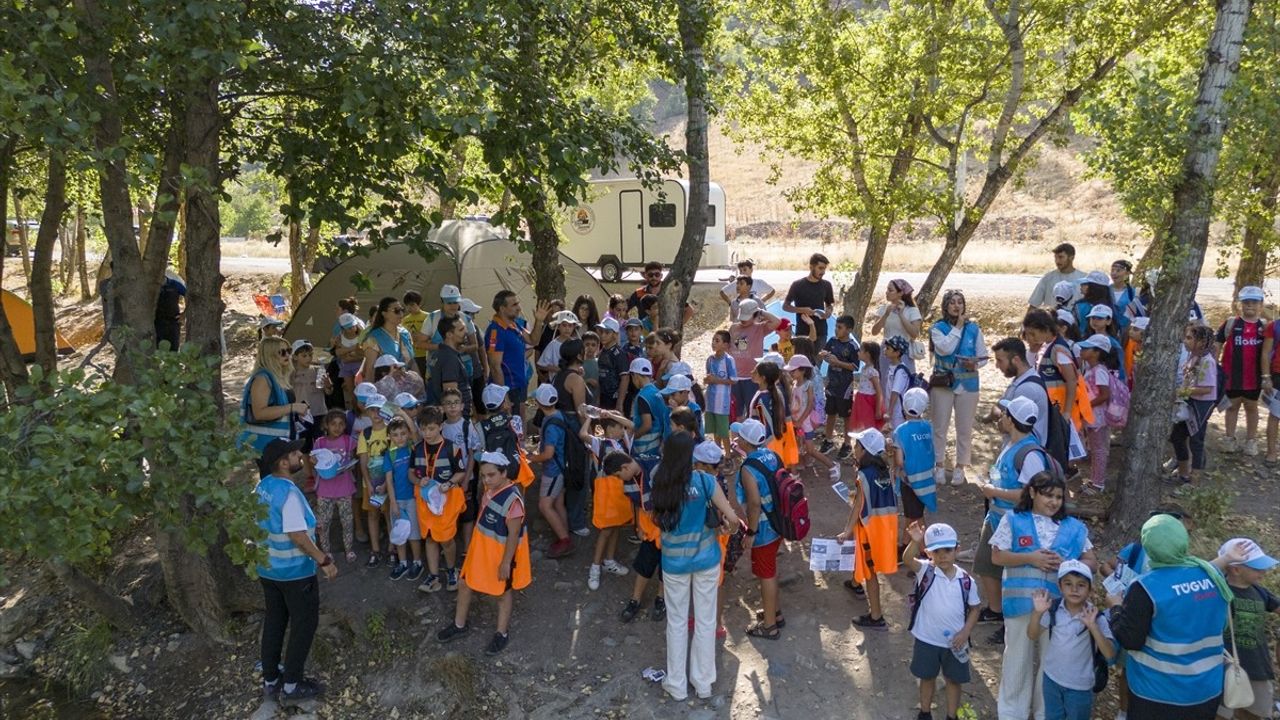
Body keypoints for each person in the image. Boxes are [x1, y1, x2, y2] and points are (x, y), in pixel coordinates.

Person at [990, 471, 1097, 720]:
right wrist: (1030, 557)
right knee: (1017, 659)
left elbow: (1091, 561)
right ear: (1032, 493)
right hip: (1020, 604)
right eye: (1048, 495)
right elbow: (997, 556)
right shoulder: (1014, 519)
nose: (1054, 502)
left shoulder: (1074, 527)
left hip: (1060, 608)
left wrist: (1069, 563)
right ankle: (1011, 713)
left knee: (1051, 662)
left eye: (1059, 497)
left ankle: (1045, 713)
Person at [1109, 514, 1231, 720]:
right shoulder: (1212, 575)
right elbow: (1224, 622)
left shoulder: (1145, 587)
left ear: (1149, 547)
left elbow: (1131, 639)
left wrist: (1115, 609)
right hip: (1206, 689)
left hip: (1156, 692)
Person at [651, 436, 738, 702]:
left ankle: (676, 684)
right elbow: (733, 519)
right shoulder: (705, 481)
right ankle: (703, 684)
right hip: (706, 560)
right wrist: (726, 527)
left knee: (676, 622)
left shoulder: (660, 482)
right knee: (706, 620)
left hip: (674, 564)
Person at [254, 438, 337, 705]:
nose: (299, 455)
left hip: (268, 570)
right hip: (294, 573)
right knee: (304, 625)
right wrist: (324, 560)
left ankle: (271, 678)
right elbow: (297, 535)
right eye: (294, 453)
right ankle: (292, 685)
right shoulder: (288, 493)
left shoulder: (262, 486)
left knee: (275, 621)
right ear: (282, 462)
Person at [435, 452, 532, 656]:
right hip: (481, 552)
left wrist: (506, 563)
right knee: (465, 583)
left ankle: (501, 634)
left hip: (498, 556)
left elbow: (514, 535)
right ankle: (459, 625)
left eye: (491, 475)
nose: (486, 480)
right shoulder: (490, 490)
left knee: (503, 593)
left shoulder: (513, 501)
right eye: (484, 475)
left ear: (504, 473)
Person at [977, 397, 1051, 643]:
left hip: (1015, 523)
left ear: (1011, 419)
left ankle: (1009, 624)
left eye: (1005, 413)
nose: (1001, 416)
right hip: (997, 517)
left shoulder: (1030, 454)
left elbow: (1029, 493)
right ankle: (995, 611)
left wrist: (994, 493)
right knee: (986, 563)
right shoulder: (1011, 444)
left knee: (1012, 575)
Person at [903, 522, 982, 720]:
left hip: (955, 642)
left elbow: (975, 609)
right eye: (936, 551)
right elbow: (907, 559)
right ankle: (925, 712)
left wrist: (965, 632)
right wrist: (915, 541)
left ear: (957, 549)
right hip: (926, 639)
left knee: (954, 680)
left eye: (948, 550)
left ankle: (951, 715)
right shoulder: (925, 571)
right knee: (926, 677)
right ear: (929, 553)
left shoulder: (966, 581)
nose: (942, 555)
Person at [1027, 561, 1116, 720]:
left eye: (1081, 585)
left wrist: (1093, 627)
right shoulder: (1053, 609)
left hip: (1080, 686)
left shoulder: (1097, 617)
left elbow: (1110, 654)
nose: (1074, 589)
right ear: (1060, 587)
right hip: (1051, 680)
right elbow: (1032, 635)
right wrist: (1037, 613)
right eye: (1068, 584)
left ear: (1090, 589)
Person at [1214, 538, 1279, 720]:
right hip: (1225, 668)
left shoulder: (1260, 592)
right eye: (1257, 568)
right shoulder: (1219, 591)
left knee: (1255, 712)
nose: (1264, 572)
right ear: (1235, 569)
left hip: (1258, 666)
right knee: (1222, 712)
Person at [840, 428, 898, 631]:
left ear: (865, 451)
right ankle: (856, 583)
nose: (854, 448)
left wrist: (847, 530)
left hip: (870, 528)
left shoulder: (864, 475)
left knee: (871, 571)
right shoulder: (885, 469)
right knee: (865, 560)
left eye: (857, 446)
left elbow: (858, 506)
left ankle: (876, 616)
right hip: (886, 525)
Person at [930, 290, 988, 487]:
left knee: (964, 428)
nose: (957, 306)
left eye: (960, 302)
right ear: (945, 306)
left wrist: (976, 364)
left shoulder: (974, 329)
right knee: (939, 427)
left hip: (969, 384)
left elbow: (982, 354)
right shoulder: (937, 328)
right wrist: (958, 328)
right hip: (943, 384)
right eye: (952, 302)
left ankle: (960, 467)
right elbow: (944, 348)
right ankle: (938, 465)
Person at [735, 418, 786, 640]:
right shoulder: (773, 455)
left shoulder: (748, 468)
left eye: (740, 437)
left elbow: (754, 504)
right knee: (771, 569)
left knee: (766, 573)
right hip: (779, 523)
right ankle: (774, 612)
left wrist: (751, 533)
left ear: (746, 442)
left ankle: (769, 626)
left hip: (763, 529)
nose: (736, 440)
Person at [413, 407, 466, 593]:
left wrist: (450, 483)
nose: (427, 433)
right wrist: (419, 481)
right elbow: (411, 473)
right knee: (429, 538)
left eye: (432, 429)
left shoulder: (452, 447)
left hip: (447, 500)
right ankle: (434, 576)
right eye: (423, 429)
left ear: (441, 426)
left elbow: (461, 472)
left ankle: (452, 570)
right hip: (425, 502)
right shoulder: (418, 448)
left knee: (447, 538)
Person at [581, 422, 636, 591]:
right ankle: (595, 567)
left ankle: (610, 561)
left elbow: (632, 426)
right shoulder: (600, 443)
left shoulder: (625, 442)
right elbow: (582, 434)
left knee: (617, 526)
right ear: (610, 428)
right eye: (619, 426)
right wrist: (590, 418)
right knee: (605, 530)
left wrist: (611, 415)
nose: (623, 430)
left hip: (622, 492)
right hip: (606, 494)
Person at [1217, 286, 1267, 457]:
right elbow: (1217, 343)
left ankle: (1251, 441)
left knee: (1251, 407)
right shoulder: (1231, 323)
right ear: (1240, 304)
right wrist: (1215, 368)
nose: (1249, 306)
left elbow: (1270, 351)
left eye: (1254, 302)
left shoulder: (1264, 326)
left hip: (1254, 377)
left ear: (1261, 304)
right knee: (1232, 407)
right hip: (1232, 375)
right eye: (1246, 302)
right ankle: (1229, 438)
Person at [1169, 324, 1218, 487]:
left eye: (1189, 338)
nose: (1185, 341)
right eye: (1185, 337)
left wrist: (1183, 392)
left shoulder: (1207, 362)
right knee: (1177, 436)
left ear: (1202, 342)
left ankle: (1194, 481)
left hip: (1201, 405)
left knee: (1196, 440)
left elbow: (1207, 388)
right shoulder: (1193, 356)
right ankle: (1183, 474)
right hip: (1189, 401)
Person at [527, 383, 573, 558]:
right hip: (561, 467)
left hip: (553, 470)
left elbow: (548, 454)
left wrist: (530, 458)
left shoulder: (551, 425)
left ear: (539, 403)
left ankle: (564, 539)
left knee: (545, 505)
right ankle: (564, 533)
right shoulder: (557, 415)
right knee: (558, 503)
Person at [551, 338, 592, 536]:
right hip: (574, 429)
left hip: (559, 428)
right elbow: (581, 411)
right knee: (578, 473)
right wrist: (588, 434)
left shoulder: (559, 376)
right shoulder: (575, 379)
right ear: (578, 355)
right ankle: (577, 521)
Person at [238, 337, 307, 452]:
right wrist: (292, 407)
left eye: (289, 351)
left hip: (279, 442)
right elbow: (259, 413)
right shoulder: (262, 379)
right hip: (265, 444)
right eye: (281, 352)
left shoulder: (278, 377)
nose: (287, 355)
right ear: (269, 355)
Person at [311, 410, 358, 564]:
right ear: (326, 425)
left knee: (347, 521)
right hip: (324, 491)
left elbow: (357, 456)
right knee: (323, 523)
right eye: (333, 424)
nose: (337, 428)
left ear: (345, 425)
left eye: (341, 424)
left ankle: (349, 550)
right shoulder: (320, 443)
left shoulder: (349, 441)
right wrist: (312, 462)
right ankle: (326, 551)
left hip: (345, 488)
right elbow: (314, 462)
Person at [421, 285, 484, 397]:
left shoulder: (465, 318)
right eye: (449, 303)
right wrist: (442, 347)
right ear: (442, 302)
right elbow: (419, 343)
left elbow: (475, 345)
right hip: (438, 371)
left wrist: (464, 348)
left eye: (455, 302)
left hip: (464, 369)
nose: (453, 306)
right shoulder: (432, 318)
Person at [1024, 308, 1082, 430]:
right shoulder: (1046, 345)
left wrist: (1067, 412)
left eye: (1033, 334)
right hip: (1050, 406)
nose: (1030, 338)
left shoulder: (1058, 350)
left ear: (1045, 329)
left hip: (1060, 407)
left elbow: (1071, 381)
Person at [988, 337, 1051, 446]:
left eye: (1000, 360)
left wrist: (999, 417)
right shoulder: (1021, 380)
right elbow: (1000, 407)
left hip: (1024, 452)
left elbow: (1006, 426)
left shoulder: (1027, 388)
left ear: (1016, 360)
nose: (997, 366)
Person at [383, 418, 423, 581]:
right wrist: (392, 502)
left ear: (408, 434)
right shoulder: (390, 454)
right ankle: (403, 563)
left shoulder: (413, 448)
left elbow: (415, 431)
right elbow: (388, 480)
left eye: (403, 434)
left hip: (412, 499)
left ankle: (417, 562)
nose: (400, 438)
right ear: (390, 437)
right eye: (395, 435)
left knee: (413, 533)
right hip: (397, 501)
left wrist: (401, 413)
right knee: (400, 533)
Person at [729, 299, 782, 421]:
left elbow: (777, 322)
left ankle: (753, 435)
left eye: (747, 317)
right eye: (742, 316)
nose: (743, 320)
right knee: (736, 411)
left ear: (754, 315)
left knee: (753, 409)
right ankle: (737, 436)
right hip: (735, 377)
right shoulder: (734, 328)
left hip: (752, 377)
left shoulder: (760, 328)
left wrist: (761, 312)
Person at [486, 290, 536, 419]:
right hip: (508, 387)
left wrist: (539, 321)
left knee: (519, 421)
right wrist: (504, 396)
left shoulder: (515, 324)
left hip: (519, 384)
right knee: (509, 425)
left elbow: (533, 340)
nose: (519, 308)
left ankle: (521, 440)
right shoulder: (495, 331)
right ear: (502, 308)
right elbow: (495, 366)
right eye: (514, 305)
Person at [786, 354, 837, 479]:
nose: (791, 373)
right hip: (796, 421)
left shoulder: (808, 385)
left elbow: (810, 404)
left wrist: (801, 420)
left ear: (803, 370)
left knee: (810, 449)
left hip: (805, 423)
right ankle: (801, 465)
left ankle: (832, 465)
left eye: (793, 370)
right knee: (799, 445)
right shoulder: (794, 384)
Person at [894, 388, 937, 531]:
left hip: (909, 481)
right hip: (927, 478)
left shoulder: (900, 431)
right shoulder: (928, 426)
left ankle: (924, 548)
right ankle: (906, 544)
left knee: (916, 517)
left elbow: (900, 461)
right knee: (913, 513)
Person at [819, 314, 862, 458]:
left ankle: (847, 443)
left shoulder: (852, 346)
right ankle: (829, 439)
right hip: (832, 384)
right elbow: (825, 354)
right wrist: (825, 355)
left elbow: (855, 366)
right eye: (836, 327)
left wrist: (838, 362)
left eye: (840, 327)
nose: (836, 330)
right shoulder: (832, 341)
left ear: (849, 329)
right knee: (830, 412)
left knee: (846, 415)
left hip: (845, 387)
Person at [1077, 335, 1115, 494]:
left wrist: (1086, 406)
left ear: (1097, 352)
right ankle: (1094, 481)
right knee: (1095, 448)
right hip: (1092, 417)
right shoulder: (1092, 369)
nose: (1082, 350)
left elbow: (1105, 394)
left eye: (1087, 348)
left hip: (1098, 418)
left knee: (1099, 449)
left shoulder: (1099, 371)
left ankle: (1098, 484)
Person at [871, 278, 923, 374]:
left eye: (890, 290)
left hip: (903, 351)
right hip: (886, 350)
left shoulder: (912, 311)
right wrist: (886, 315)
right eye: (887, 289)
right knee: (885, 380)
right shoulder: (884, 309)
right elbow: (874, 332)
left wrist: (901, 315)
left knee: (903, 379)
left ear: (900, 293)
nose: (887, 292)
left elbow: (914, 334)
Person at [783, 253, 835, 347]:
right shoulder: (797, 285)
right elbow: (785, 306)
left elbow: (829, 304)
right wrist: (802, 310)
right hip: (803, 333)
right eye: (820, 268)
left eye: (824, 268)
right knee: (802, 360)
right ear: (811, 267)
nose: (823, 272)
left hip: (821, 332)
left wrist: (829, 311)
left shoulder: (827, 285)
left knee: (817, 361)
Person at [427, 315, 475, 414]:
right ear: (449, 334)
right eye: (461, 329)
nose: (466, 332)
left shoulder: (440, 353)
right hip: (457, 418)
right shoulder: (449, 359)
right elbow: (450, 396)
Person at [360, 297, 415, 378]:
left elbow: (412, 362)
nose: (401, 314)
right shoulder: (373, 338)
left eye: (402, 310)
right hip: (384, 386)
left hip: (407, 384)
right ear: (384, 314)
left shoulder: (405, 333)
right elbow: (370, 370)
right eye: (396, 310)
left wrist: (420, 384)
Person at [704, 329, 738, 456]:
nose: (713, 343)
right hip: (710, 400)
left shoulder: (729, 360)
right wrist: (707, 380)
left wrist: (716, 380)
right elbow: (709, 375)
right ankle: (718, 454)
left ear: (725, 345)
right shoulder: (710, 360)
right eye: (713, 340)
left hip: (722, 401)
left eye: (717, 340)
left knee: (723, 431)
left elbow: (734, 380)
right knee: (714, 430)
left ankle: (728, 455)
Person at [1028, 243, 1087, 309]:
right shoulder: (1048, 278)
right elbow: (1034, 304)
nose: (1057, 261)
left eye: (1061, 257)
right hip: (1052, 318)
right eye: (1055, 257)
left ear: (1071, 258)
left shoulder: (1084, 279)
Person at [595, 318, 627, 412]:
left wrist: (620, 402)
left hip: (614, 399)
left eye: (607, 332)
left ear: (615, 334)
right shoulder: (602, 352)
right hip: (604, 397)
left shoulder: (618, 354)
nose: (603, 335)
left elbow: (625, 378)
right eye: (601, 331)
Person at [334, 312, 366, 409]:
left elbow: (363, 353)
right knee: (350, 390)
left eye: (353, 326)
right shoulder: (340, 337)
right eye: (349, 328)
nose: (352, 329)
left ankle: (362, 408)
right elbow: (338, 352)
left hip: (359, 366)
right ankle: (355, 409)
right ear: (343, 329)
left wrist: (349, 356)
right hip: (346, 367)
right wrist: (352, 349)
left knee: (360, 388)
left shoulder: (362, 335)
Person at [850, 341, 883, 433]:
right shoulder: (864, 368)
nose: (858, 352)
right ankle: (860, 443)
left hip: (867, 401)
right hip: (861, 399)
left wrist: (878, 409)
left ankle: (867, 444)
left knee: (868, 424)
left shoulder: (872, 372)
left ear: (867, 354)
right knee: (861, 424)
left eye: (860, 350)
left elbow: (878, 391)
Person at [884, 336, 911, 430]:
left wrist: (889, 411)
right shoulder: (892, 366)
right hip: (891, 410)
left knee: (897, 436)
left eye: (888, 349)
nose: (885, 350)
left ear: (897, 353)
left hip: (897, 412)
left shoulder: (900, 371)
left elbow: (895, 392)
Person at [401, 291, 430, 378]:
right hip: (412, 355)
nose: (410, 307)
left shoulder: (427, 316)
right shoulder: (404, 320)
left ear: (419, 304)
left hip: (426, 354)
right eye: (407, 305)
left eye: (412, 304)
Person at [1110, 260, 1137, 333]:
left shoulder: (1132, 292)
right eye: (1112, 270)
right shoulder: (1105, 290)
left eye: (1118, 271)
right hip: (1108, 329)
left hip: (1126, 331)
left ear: (1127, 274)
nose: (1114, 273)